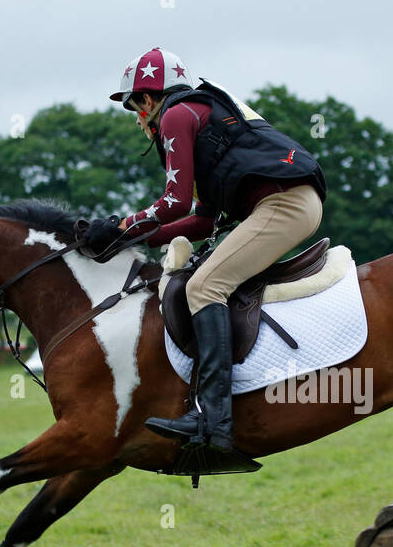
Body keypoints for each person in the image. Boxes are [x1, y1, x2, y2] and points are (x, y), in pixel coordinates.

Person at [82, 48, 327, 456]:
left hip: (282, 204)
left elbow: (174, 202)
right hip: (288, 201)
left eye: (133, 109)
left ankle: (214, 420)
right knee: (206, 281)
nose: (138, 121)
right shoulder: (197, 113)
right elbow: (201, 220)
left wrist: (123, 225)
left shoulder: (176, 116)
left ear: (146, 99)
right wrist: (133, 239)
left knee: (204, 288)